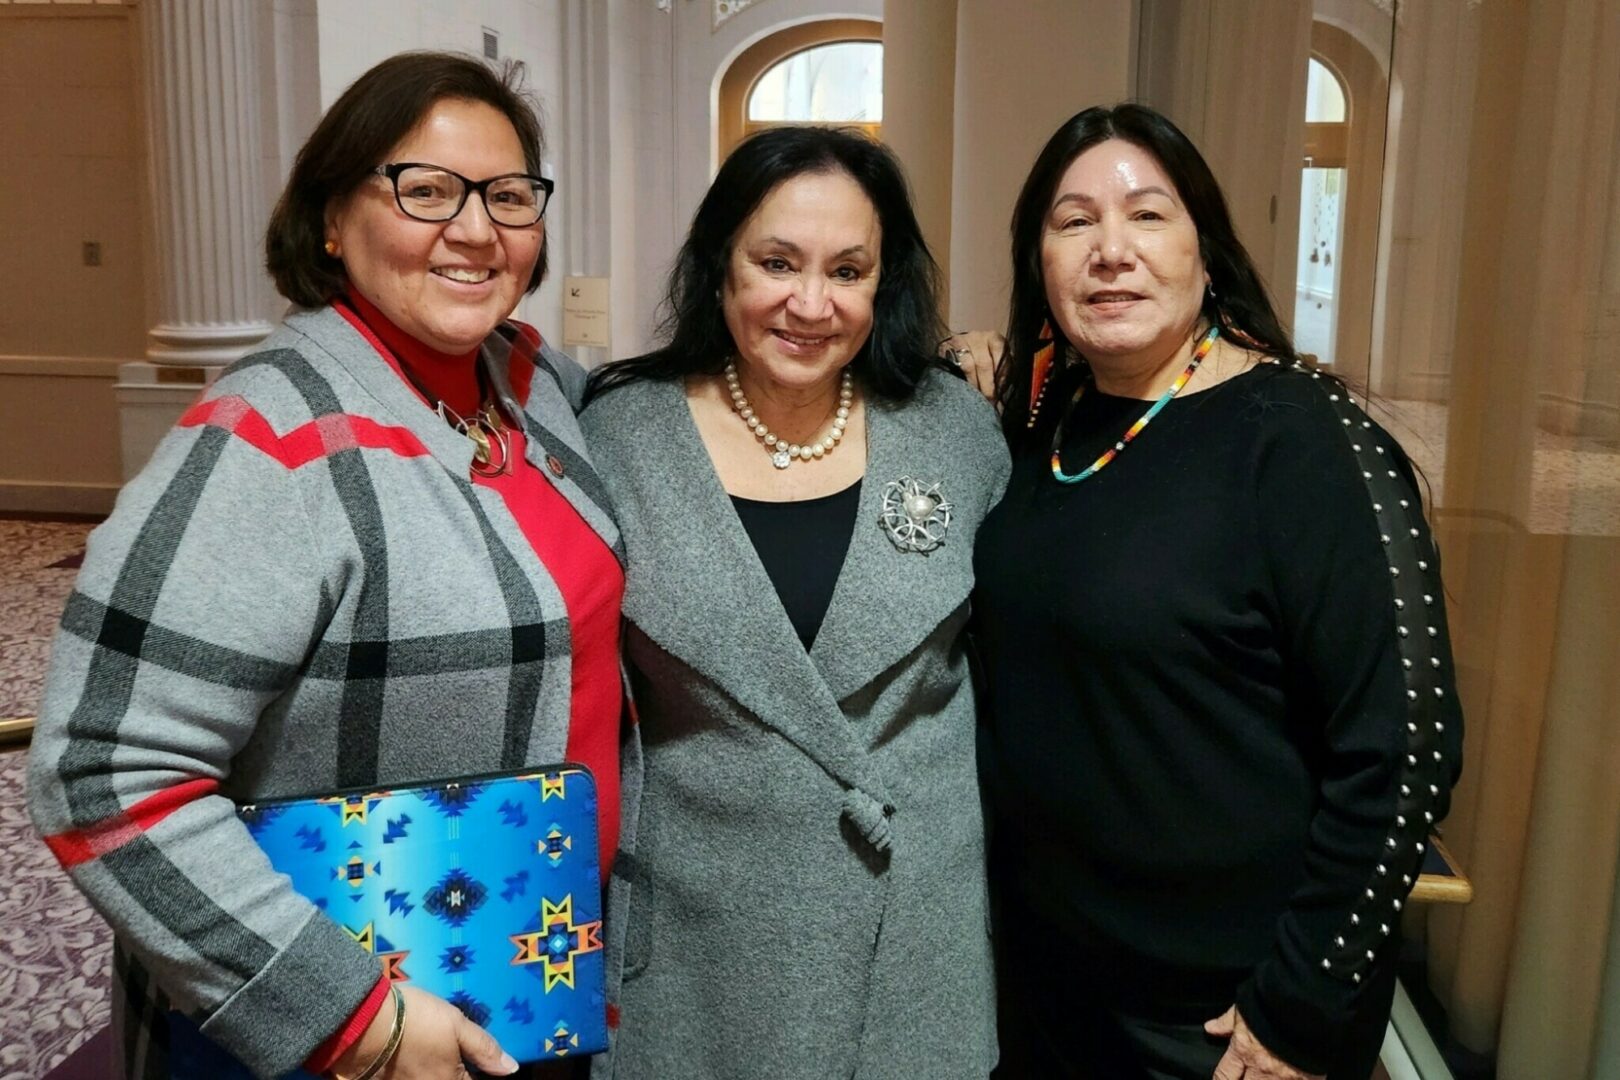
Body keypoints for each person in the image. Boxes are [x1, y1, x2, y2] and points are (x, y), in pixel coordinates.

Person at [27, 53, 625, 1080]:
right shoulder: (269, 439)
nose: (476, 229)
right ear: (332, 221)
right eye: (426, 190)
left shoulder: (531, 383)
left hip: (525, 969)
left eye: (509, 196)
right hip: (360, 1023)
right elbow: (99, 770)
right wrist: (356, 1022)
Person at [955, 104, 1465, 1080]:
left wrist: (1302, 1004)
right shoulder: (1043, 425)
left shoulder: (1308, 443)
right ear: (1038, 262)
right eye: (1073, 223)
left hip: (1223, 1019)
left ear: (1208, 252)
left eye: (1147, 216)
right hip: (1042, 986)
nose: (1111, 250)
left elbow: (1410, 752)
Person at [579, 126, 1010, 1079]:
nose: (811, 304)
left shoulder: (954, 430)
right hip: (698, 954)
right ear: (720, 267)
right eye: (776, 262)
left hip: (910, 948)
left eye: (848, 270)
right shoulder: (619, 440)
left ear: (882, 283)